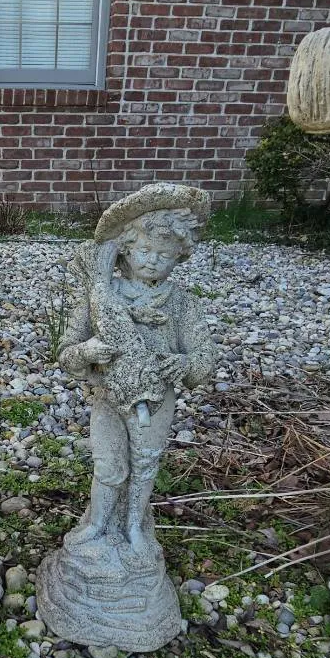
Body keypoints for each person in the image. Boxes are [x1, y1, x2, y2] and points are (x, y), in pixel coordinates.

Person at [60, 184, 216, 558]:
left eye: (163, 255)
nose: (152, 261)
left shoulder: (182, 304)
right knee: (109, 466)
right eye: (144, 251)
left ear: (178, 256)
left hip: (157, 401)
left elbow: (204, 359)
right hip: (109, 398)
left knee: (145, 463)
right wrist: (86, 351)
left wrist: (185, 364)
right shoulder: (101, 292)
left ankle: (134, 525)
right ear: (126, 249)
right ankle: (97, 524)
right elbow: (66, 353)